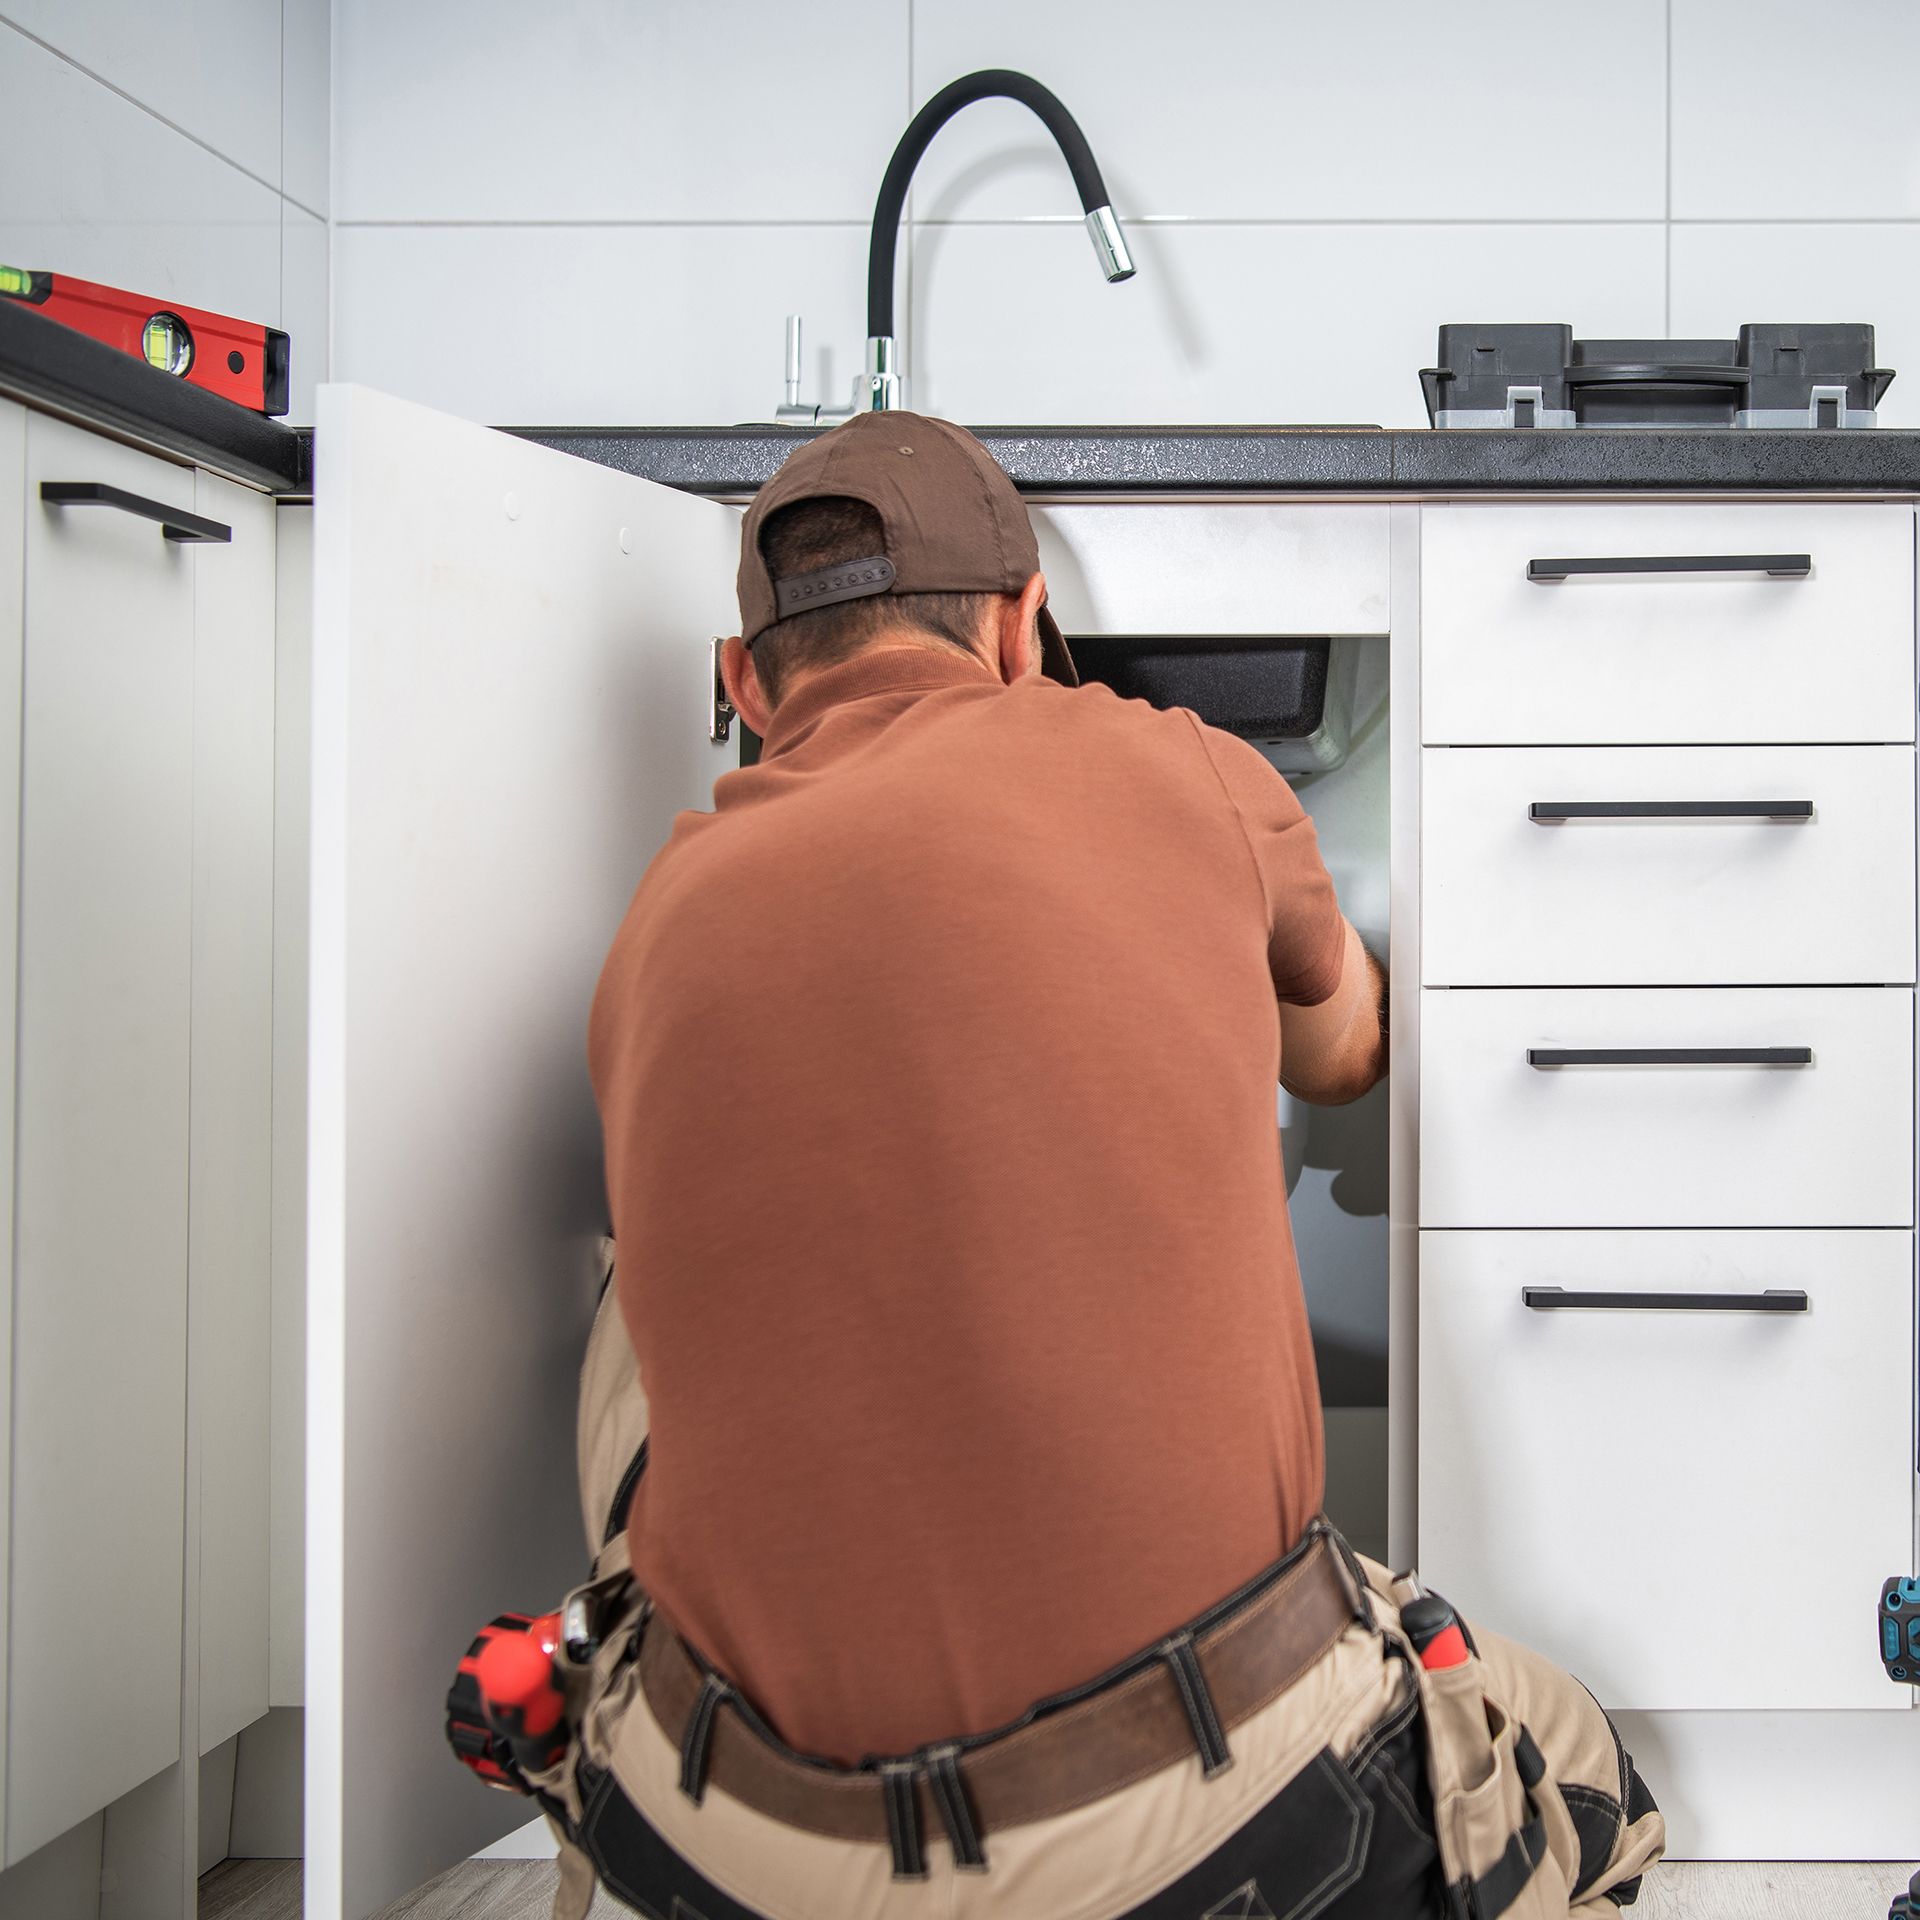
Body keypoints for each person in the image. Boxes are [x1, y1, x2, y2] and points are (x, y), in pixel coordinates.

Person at [558, 410, 1665, 1919]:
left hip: (740, 1845)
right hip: (1214, 1825)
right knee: (1589, 1765)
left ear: (745, 686)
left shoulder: (651, 930)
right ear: (1025, 629)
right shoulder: (1189, 770)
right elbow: (1344, 1054)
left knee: (640, 1277)